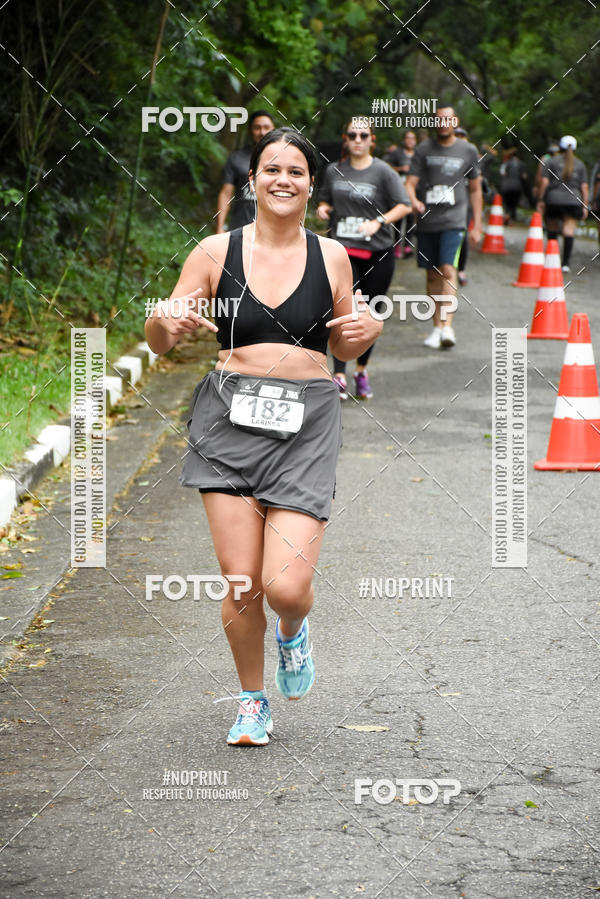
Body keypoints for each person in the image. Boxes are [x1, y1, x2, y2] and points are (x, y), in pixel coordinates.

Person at [145, 127, 381, 746]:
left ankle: (293, 632)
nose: (283, 180)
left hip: (305, 422)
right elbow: (163, 336)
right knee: (244, 581)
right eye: (271, 169)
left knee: (287, 585)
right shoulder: (214, 251)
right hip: (228, 419)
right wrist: (163, 320)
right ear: (252, 181)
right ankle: (253, 701)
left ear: (312, 187)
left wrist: (362, 337)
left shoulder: (330, 256)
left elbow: (342, 338)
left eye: (296, 172)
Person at [317, 117, 410, 400]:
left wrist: (378, 222)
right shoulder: (334, 170)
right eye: (352, 135)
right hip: (343, 251)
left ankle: (361, 370)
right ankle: (339, 374)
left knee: (369, 312)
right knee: (344, 311)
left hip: (377, 252)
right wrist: (322, 209)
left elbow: (404, 205)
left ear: (372, 140)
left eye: (363, 135)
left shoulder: (383, 171)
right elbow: (324, 199)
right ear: (345, 138)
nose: (357, 140)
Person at [405, 105, 482, 350]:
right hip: (427, 220)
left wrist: (477, 224)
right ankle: (436, 327)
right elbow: (410, 182)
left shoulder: (468, 150)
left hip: (454, 220)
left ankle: (448, 326)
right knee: (431, 275)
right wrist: (413, 200)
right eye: (439, 119)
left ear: (455, 121)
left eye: (448, 119)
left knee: (448, 270)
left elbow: (475, 188)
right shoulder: (423, 149)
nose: (443, 123)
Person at [215, 110, 275, 233]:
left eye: (266, 127)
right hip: (240, 227)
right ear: (250, 131)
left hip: (273, 230)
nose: (262, 132)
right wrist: (220, 227)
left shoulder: (283, 159)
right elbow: (226, 193)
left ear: (273, 129)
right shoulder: (236, 158)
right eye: (257, 128)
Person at [537, 135, 588, 272]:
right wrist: (585, 205)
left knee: (552, 229)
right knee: (568, 231)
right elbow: (584, 187)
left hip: (553, 200)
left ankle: (551, 260)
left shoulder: (551, 161)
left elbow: (544, 182)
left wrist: (541, 199)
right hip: (573, 201)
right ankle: (565, 264)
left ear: (560, 147)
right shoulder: (580, 164)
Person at [385, 130, 417, 257]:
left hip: (413, 191)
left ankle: (408, 246)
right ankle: (397, 246)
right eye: (407, 138)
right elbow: (386, 166)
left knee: (411, 219)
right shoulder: (396, 153)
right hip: (399, 190)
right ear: (403, 140)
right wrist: (400, 169)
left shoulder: (418, 154)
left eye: (412, 138)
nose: (410, 141)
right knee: (399, 219)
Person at [499, 148, 530, 225]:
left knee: (507, 203)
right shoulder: (521, 164)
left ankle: (506, 215)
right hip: (517, 186)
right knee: (514, 204)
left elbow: (502, 173)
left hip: (506, 186)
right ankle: (512, 218)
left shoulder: (506, 163)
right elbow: (524, 176)